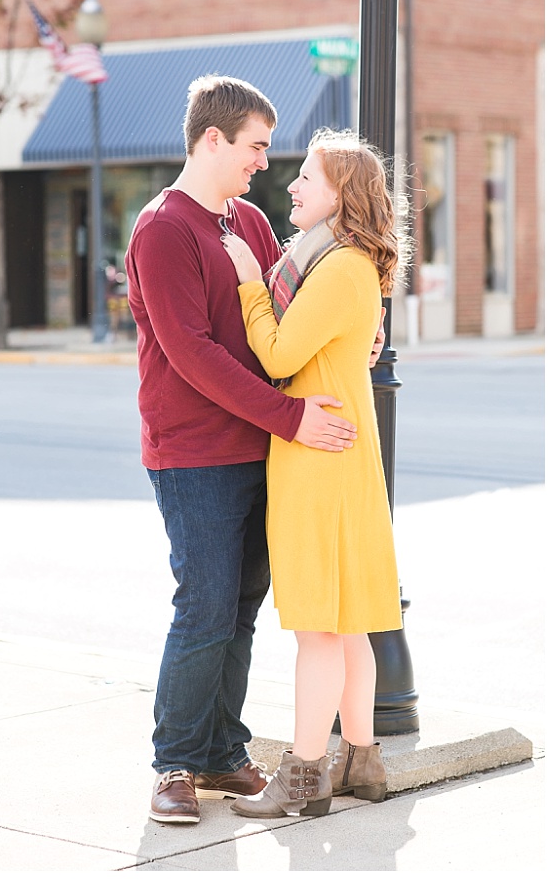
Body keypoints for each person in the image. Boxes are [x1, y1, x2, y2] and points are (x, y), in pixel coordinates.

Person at [124, 75, 381, 826]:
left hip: (264, 446)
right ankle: (173, 761)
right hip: (195, 451)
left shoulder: (248, 224)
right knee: (203, 608)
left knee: (240, 610)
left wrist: (364, 327)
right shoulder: (161, 229)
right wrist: (291, 417)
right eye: (255, 147)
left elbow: (295, 309)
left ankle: (221, 753)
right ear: (212, 140)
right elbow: (191, 353)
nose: (264, 163)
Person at [222, 129, 407, 818]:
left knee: (319, 631)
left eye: (308, 177)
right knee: (348, 622)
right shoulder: (341, 265)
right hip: (341, 460)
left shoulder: (337, 270)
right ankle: (363, 760)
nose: (293, 186)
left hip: (318, 464)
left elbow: (276, 354)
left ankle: (302, 777)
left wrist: (248, 284)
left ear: (341, 196)